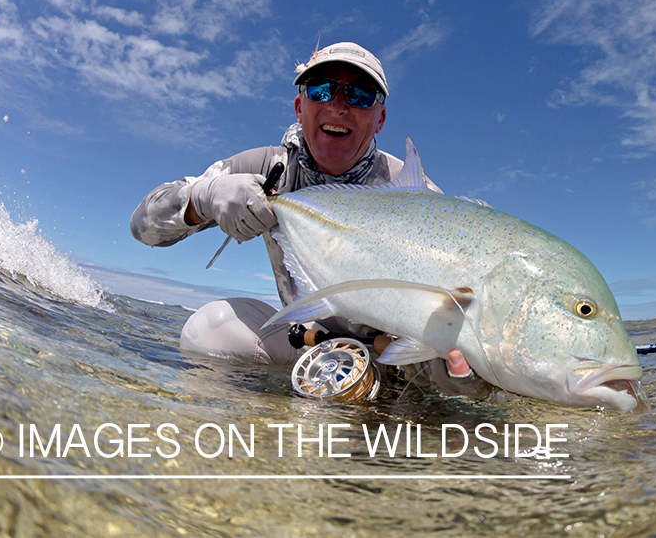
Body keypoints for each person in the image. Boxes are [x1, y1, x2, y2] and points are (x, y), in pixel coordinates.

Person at [130, 42, 478, 390]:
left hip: (403, 356)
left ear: (380, 119)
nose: (338, 105)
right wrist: (203, 198)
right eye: (321, 89)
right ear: (300, 107)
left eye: (360, 95)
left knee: (468, 376)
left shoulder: (412, 192)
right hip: (307, 343)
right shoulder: (268, 170)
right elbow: (142, 226)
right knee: (210, 330)